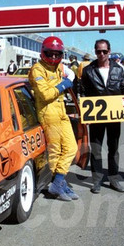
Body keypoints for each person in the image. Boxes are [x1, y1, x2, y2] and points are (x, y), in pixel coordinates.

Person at [28, 36, 78, 201]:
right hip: (48, 112)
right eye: (51, 53)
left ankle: (58, 182)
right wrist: (63, 85)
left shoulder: (58, 67)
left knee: (72, 148)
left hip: (61, 111)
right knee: (56, 151)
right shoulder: (37, 69)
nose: (55, 57)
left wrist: (68, 79)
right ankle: (58, 184)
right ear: (44, 52)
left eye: (58, 54)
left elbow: (72, 74)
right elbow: (45, 94)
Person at [80, 39, 124, 194]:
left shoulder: (118, 69)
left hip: (114, 116)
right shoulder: (88, 70)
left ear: (109, 51)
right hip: (96, 117)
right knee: (96, 149)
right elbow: (82, 92)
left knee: (113, 149)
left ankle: (114, 179)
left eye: (104, 51)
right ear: (95, 52)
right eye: (98, 51)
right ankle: (96, 181)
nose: (101, 54)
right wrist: (81, 109)